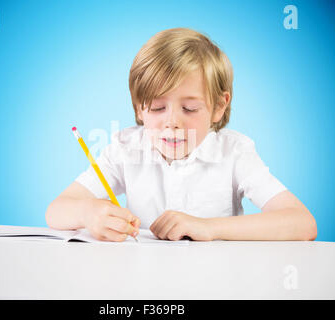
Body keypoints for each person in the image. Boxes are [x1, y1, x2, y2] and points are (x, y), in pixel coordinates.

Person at [45, 28, 317, 242]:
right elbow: (56, 210)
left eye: (190, 108)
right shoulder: (124, 149)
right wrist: (88, 213)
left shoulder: (234, 152)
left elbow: (302, 223)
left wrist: (207, 228)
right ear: (140, 107)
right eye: (157, 107)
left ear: (218, 106)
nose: (172, 122)